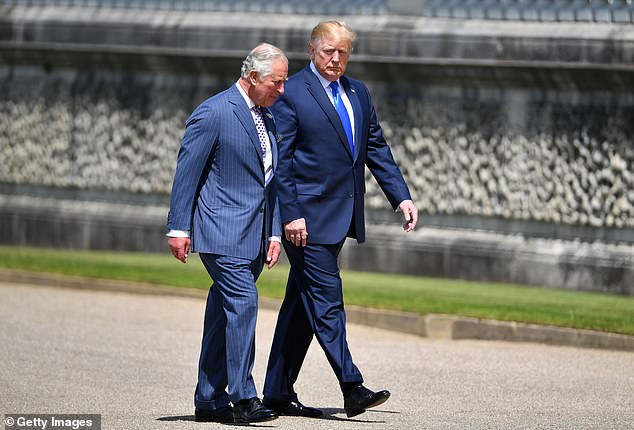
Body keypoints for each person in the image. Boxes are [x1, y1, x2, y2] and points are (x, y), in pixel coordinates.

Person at [262, 21, 419, 419]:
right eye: (329, 51)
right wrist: (291, 213)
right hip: (306, 222)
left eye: (343, 53)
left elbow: (375, 148)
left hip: (341, 216)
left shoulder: (358, 92)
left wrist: (401, 197)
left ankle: (278, 392)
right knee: (328, 300)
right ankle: (352, 386)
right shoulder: (292, 92)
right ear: (312, 50)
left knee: (302, 304)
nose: (336, 59)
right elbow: (282, 161)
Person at [166, 43, 288, 424]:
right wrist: (178, 227)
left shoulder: (267, 118)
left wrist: (273, 234)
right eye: (277, 82)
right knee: (243, 304)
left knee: (223, 314)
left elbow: (271, 182)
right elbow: (187, 174)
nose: (281, 90)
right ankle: (243, 397)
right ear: (253, 77)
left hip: (253, 235)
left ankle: (208, 398)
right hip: (221, 232)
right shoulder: (214, 112)